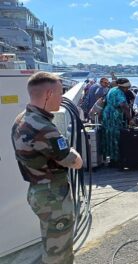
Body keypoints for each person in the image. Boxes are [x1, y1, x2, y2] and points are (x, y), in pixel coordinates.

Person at [11, 72, 83, 264]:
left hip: (37, 191)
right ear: (49, 94)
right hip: (54, 199)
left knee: (50, 239)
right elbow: (75, 162)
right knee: (58, 251)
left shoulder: (21, 119)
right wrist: (74, 152)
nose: (63, 97)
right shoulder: (44, 128)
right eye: (61, 93)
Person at [102, 78, 134, 166]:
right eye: (127, 87)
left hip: (106, 113)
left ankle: (110, 158)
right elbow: (123, 105)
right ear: (123, 87)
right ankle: (116, 160)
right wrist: (130, 119)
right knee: (116, 137)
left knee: (109, 137)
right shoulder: (120, 93)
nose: (128, 89)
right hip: (114, 116)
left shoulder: (112, 89)